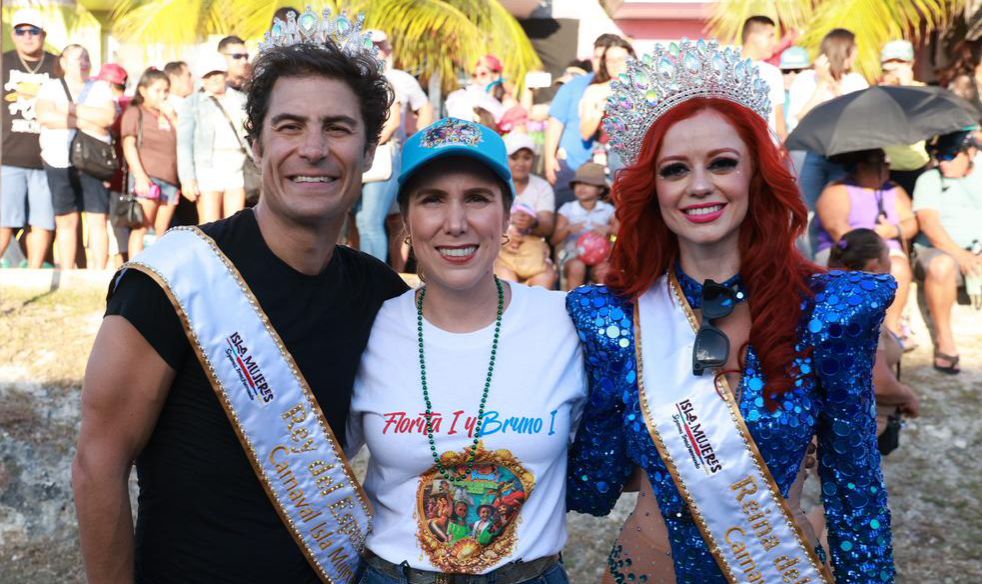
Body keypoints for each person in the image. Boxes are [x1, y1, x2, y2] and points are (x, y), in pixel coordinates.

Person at [73, 13, 408, 582]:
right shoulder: (175, 278)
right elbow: (97, 463)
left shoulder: (381, 295)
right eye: (290, 126)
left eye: (338, 127)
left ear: (370, 150)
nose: (313, 148)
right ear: (256, 143)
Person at [566, 39, 894, 583]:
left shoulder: (829, 314)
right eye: (674, 169)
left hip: (776, 569)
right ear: (652, 188)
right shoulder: (613, 318)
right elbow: (593, 484)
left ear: (756, 176)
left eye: (722, 163)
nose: (699, 186)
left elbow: (856, 486)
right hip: (649, 569)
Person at [347, 118, 585, 584]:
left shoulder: (570, 323)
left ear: (506, 215)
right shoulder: (366, 326)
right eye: (432, 199)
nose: (455, 223)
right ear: (406, 221)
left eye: (477, 198)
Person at [814, 148, 916, 339]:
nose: (887, 168)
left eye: (886, 164)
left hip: (886, 250)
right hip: (845, 250)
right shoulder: (837, 190)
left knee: (899, 267)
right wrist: (870, 248)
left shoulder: (894, 190)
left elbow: (911, 223)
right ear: (861, 167)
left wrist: (893, 230)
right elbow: (838, 229)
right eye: (880, 164)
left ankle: (891, 329)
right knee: (857, 269)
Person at [827, 228, 921, 432]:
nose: (891, 263)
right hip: (857, 427)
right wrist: (908, 396)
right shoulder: (862, 308)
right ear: (875, 265)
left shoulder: (832, 293)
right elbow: (879, 382)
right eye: (888, 255)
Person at [788, 28, 869, 256]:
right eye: (854, 50)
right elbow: (801, 117)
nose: (856, 55)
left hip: (844, 155)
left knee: (842, 211)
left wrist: (837, 88)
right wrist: (822, 84)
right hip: (811, 153)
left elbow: (856, 118)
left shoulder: (856, 81)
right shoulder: (806, 79)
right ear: (844, 51)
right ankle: (807, 265)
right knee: (807, 213)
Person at [36, 44, 116, 269]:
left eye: (86, 58)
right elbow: (46, 117)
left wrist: (68, 108)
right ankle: (68, 270)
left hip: (94, 161)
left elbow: (107, 119)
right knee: (66, 219)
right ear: (63, 62)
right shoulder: (50, 87)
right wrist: (87, 120)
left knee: (97, 217)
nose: (83, 63)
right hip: (58, 159)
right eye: (76, 58)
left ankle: (100, 272)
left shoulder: (100, 87)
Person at [912, 129, 982, 374]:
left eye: (950, 155)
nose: (943, 161)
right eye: (938, 155)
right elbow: (929, 224)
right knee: (942, 266)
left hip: (977, 249)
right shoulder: (929, 179)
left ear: (970, 153)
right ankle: (945, 339)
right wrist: (960, 254)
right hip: (937, 250)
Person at [1, 8, 58, 268]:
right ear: (13, 35)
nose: (27, 36)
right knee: (4, 221)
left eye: (33, 31)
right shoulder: (4, 62)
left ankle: (34, 274)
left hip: (47, 158)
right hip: (8, 157)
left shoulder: (56, 65)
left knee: (42, 220)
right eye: (21, 31)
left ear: (43, 35)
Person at [545, 34, 624, 208]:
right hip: (573, 167)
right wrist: (549, 158)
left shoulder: (625, 87)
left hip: (611, 171)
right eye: (597, 57)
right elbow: (556, 121)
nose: (600, 62)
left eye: (605, 58)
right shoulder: (574, 85)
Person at [177, 54, 248, 223]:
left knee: (236, 222)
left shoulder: (241, 100)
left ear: (225, 74)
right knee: (209, 223)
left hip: (237, 164)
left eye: (217, 73)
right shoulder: (192, 103)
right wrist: (187, 178)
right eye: (209, 75)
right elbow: (184, 143)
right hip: (207, 166)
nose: (214, 79)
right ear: (203, 79)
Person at [120, 68, 180, 256]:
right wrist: (140, 176)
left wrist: (172, 116)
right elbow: (128, 145)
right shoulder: (135, 112)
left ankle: (154, 275)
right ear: (143, 90)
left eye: (166, 91)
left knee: (160, 232)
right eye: (158, 90)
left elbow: (184, 139)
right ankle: (134, 273)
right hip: (148, 176)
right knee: (143, 228)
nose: (163, 95)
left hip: (170, 178)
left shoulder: (168, 115)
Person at [496, 132, 557, 287]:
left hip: (534, 253)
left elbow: (547, 226)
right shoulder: (494, 186)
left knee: (544, 280)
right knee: (507, 283)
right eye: (514, 157)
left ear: (533, 160)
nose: (521, 163)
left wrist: (533, 222)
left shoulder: (542, 187)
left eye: (526, 157)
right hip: (500, 251)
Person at [878, 40, 932, 196]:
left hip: (915, 166)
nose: (895, 67)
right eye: (890, 62)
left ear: (911, 64)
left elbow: (919, 123)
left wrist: (905, 86)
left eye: (900, 62)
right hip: (884, 167)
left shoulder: (923, 92)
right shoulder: (878, 94)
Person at [552, 162, 616, 291]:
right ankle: (573, 304)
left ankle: (603, 306)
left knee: (605, 271)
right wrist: (567, 229)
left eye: (587, 184)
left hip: (600, 257)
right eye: (578, 184)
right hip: (572, 256)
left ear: (600, 189)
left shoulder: (607, 210)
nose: (581, 187)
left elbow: (621, 232)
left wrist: (608, 229)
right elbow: (554, 240)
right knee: (577, 267)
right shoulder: (568, 209)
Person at [578, 37, 635, 174]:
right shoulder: (595, 91)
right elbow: (585, 133)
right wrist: (599, 110)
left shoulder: (642, 89)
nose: (615, 64)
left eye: (620, 59)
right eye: (610, 60)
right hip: (605, 154)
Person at [741, 15, 787, 140]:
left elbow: (779, 120)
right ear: (753, 36)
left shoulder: (773, 73)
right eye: (770, 36)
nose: (774, 42)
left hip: (768, 151)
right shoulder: (727, 68)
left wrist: (783, 152)